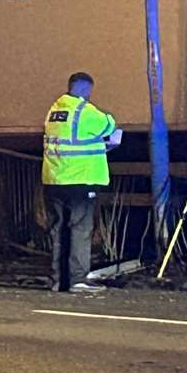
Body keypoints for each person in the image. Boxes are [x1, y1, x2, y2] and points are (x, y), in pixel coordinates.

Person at [41, 71, 120, 292]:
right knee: (80, 229)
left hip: (54, 180)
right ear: (86, 89)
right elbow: (109, 124)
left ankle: (59, 280)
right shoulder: (84, 111)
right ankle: (77, 280)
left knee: (59, 230)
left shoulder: (54, 110)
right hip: (79, 181)